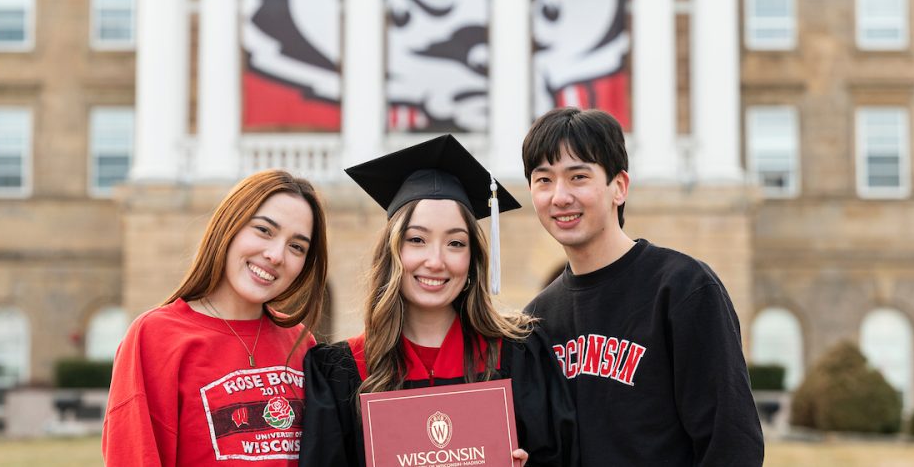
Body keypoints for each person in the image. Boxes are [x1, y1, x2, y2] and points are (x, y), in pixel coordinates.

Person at [299, 135, 577, 467]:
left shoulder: (519, 355)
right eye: (417, 239)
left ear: (473, 258)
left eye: (456, 244)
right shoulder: (341, 372)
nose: (436, 260)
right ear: (393, 251)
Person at [522, 107, 764, 466]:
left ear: (619, 186)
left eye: (578, 177)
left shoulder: (683, 288)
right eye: (544, 180)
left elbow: (731, 441)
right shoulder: (538, 319)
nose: (559, 197)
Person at [102, 170, 329, 466]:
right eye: (264, 230)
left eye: (296, 247)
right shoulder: (155, 336)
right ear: (229, 226)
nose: (276, 255)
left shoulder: (300, 342)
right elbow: (135, 456)